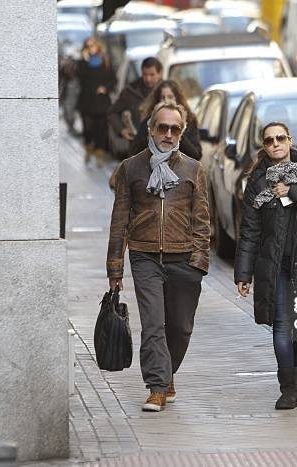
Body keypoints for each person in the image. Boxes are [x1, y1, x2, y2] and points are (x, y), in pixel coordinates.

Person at [106, 100, 211, 412]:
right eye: (162, 127)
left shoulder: (193, 169)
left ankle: (167, 374)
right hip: (144, 255)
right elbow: (119, 218)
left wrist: (199, 262)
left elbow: (203, 220)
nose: (168, 133)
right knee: (153, 325)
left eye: (174, 129)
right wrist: (115, 267)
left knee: (180, 327)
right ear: (151, 128)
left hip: (184, 258)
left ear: (181, 132)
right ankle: (156, 386)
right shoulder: (131, 168)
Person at [234, 122, 297, 410]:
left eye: (280, 138)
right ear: (263, 146)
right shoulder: (257, 181)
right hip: (274, 265)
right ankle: (288, 387)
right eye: (269, 141)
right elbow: (249, 231)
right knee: (281, 325)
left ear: (290, 140)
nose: (275, 144)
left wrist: (292, 191)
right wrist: (243, 273)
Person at [129, 80, 202, 161]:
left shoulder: (190, 120)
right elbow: (133, 153)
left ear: (177, 99)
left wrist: (178, 133)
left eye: (170, 97)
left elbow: (196, 155)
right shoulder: (149, 122)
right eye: (162, 97)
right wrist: (153, 132)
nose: (166, 100)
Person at [107, 57, 163, 157]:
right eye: (145, 74)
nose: (148, 78)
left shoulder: (167, 91)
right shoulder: (131, 91)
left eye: (152, 75)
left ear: (160, 73)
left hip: (162, 148)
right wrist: (122, 130)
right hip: (137, 149)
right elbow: (112, 112)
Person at [76, 36, 116, 167]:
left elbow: (113, 79)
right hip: (86, 101)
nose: (90, 48)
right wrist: (84, 60)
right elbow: (78, 76)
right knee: (88, 128)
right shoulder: (83, 62)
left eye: (92, 45)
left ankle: (99, 155)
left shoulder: (105, 61)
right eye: (88, 46)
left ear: (98, 46)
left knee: (101, 128)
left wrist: (105, 88)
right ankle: (88, 148)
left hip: (101, 101)